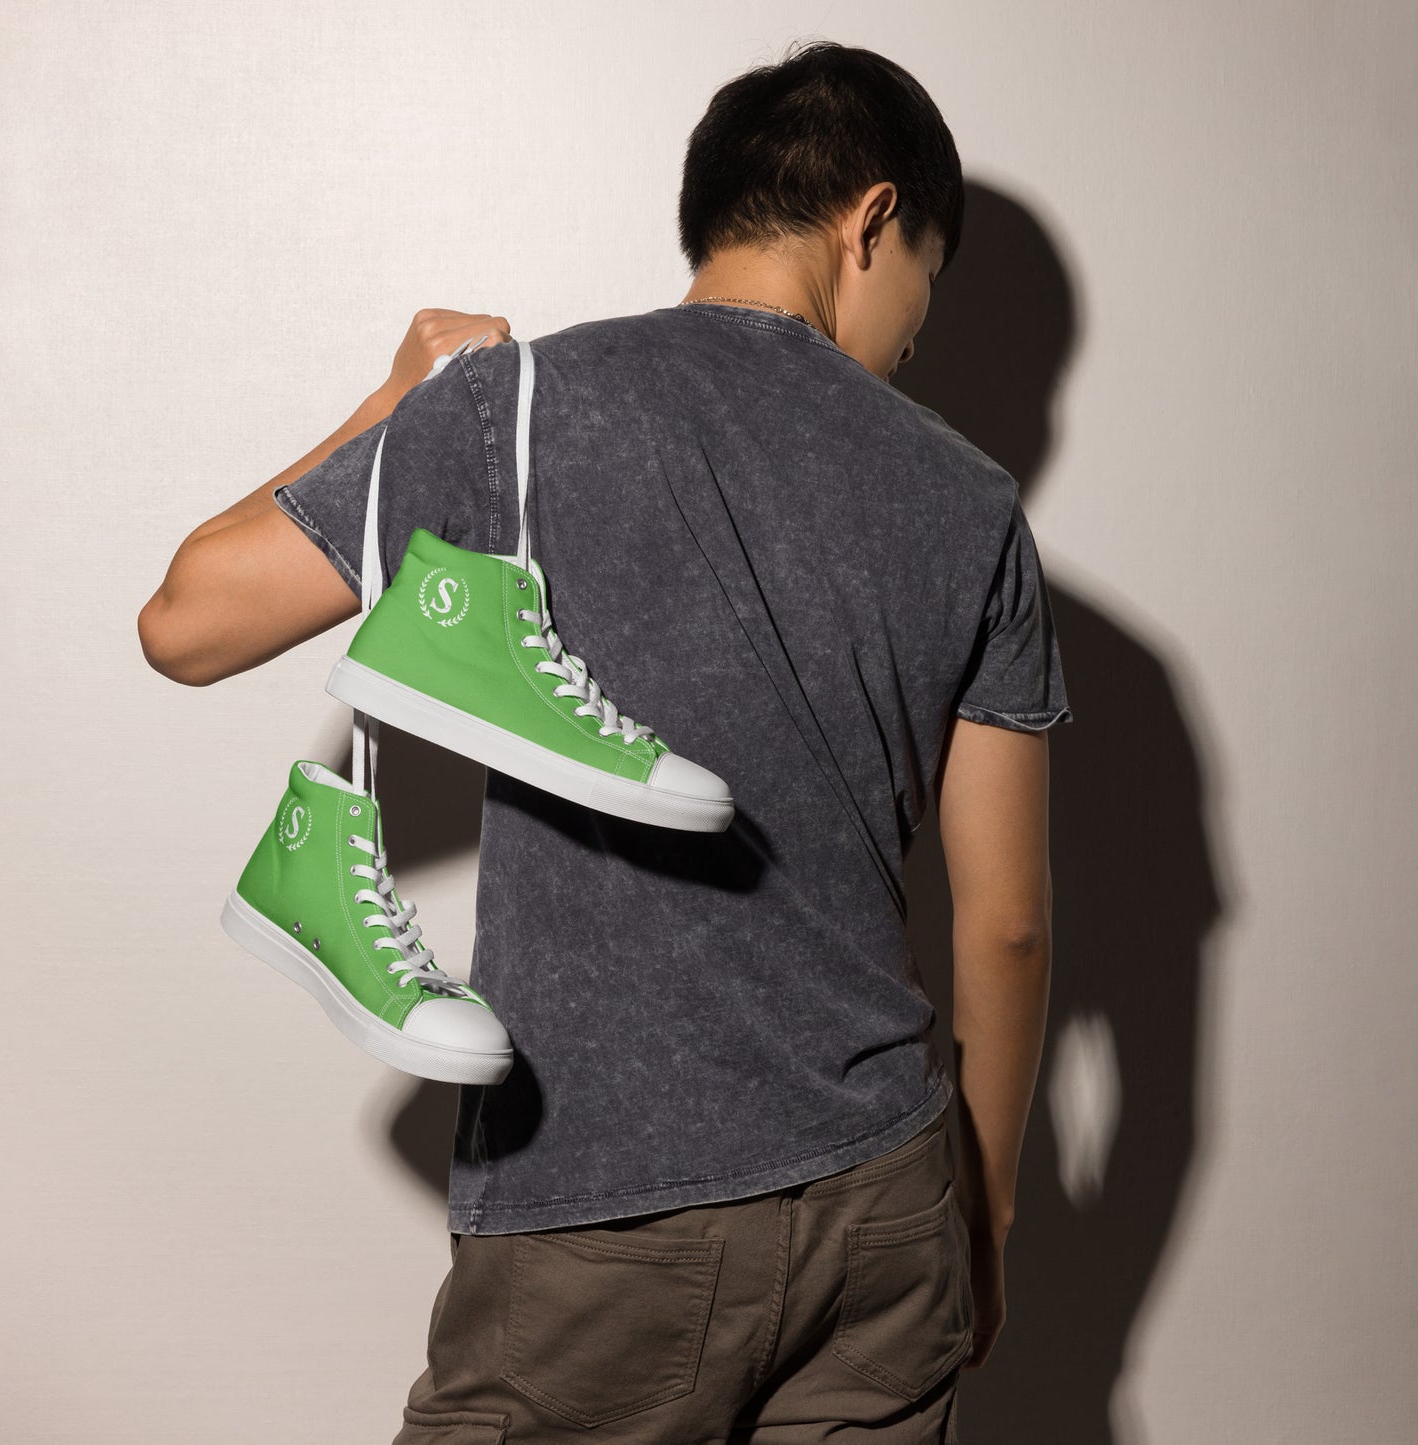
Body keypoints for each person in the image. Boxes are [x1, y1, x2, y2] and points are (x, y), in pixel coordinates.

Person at [139, 37, 1071, 1444]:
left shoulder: (514, 414)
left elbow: (187, 622)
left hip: (600, 1207)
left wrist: (395, 407)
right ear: (871, 221)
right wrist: (981, 1211)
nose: (911, 335)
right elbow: (1005, 924)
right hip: (882, 1201)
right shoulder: (971, 502)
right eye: (924, 285)